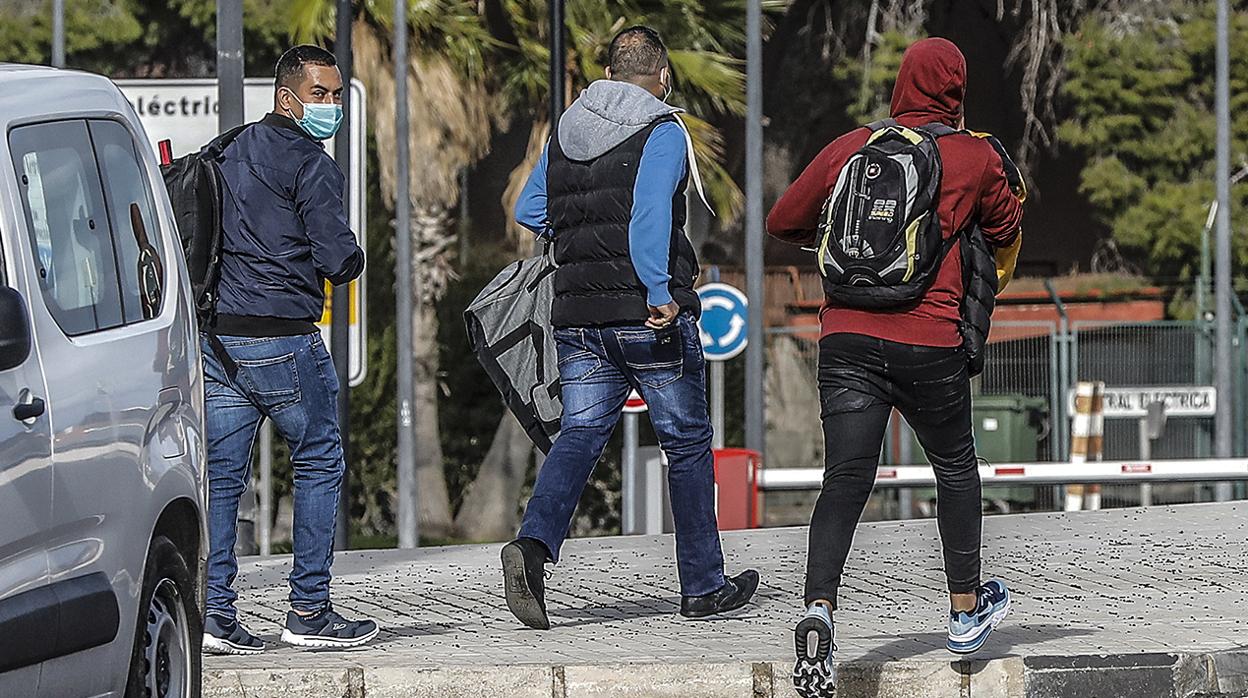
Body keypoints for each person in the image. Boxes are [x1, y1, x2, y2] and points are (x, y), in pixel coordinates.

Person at [767, 38, 1025, 695]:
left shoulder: (852, 146)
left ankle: (819, 607)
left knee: (846, 477)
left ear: (901, 84)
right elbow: (1004, 229)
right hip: (930, 338)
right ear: (956, 90)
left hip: (846, 334)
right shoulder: (973, 156)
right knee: (956, 465)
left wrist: (837, 235)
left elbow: (782, 220)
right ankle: (966, 614)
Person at [501, 25, 759, 630]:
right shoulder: (663, 129)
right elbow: (648, 216)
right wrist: (658, 292)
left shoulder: (567, 126)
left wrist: (583, 232)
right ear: (663, 74)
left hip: (579, 318)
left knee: (581, 433)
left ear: (611, 73)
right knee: (687, 443)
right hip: (646, 316)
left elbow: (529, 208)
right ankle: (701, 585)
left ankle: (533, 546)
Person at [200, 45, 377, 655]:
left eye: (335, 94)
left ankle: (213, 614)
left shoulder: (226, 150)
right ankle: (309, 611)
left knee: (222, 478)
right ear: (288, 97)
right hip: (283, 339)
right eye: (321, 95)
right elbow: (336, 258)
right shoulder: (312, 163)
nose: (332, 107)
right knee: (320, 459)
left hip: (218, 340)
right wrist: (353, 256)